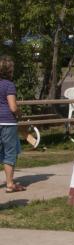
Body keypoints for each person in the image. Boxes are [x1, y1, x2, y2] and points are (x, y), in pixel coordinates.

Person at [0, 56, 24, 193]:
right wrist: (20, 114)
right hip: (7, 122)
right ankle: (10, 184)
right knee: (9, 152)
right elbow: (13, 107)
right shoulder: (9, 85)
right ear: (9, 70)